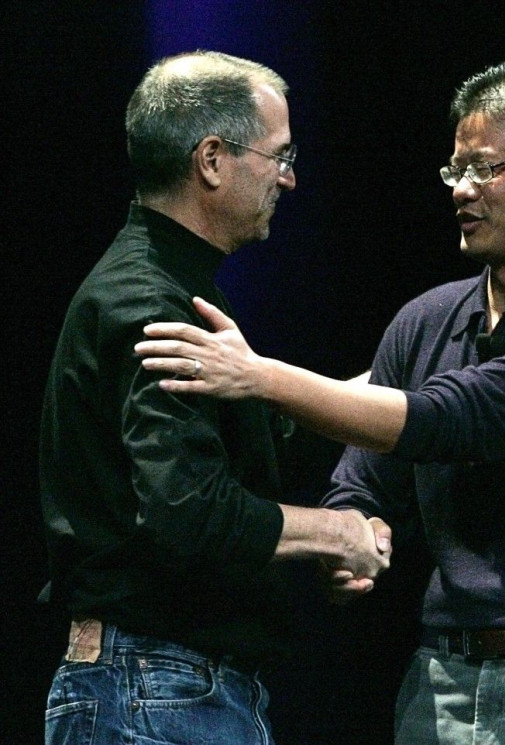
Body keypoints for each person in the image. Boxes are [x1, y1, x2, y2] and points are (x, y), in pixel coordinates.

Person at [135, 60, 505, 744]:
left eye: (484, 167)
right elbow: (364, 478)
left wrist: (259, 376)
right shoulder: (427, 321)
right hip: (444, 682)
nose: (462, 190)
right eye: (455, 170)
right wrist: (355, 534)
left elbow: (449, 419)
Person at [39, 50, 391, 745]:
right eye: (280, 155)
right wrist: (335, 532)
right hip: (155, 688)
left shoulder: (165, 286)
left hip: (157, 687)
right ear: (211, 160)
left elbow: (240, 448)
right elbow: (188, 513)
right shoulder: (151, 304)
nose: (289, 178)